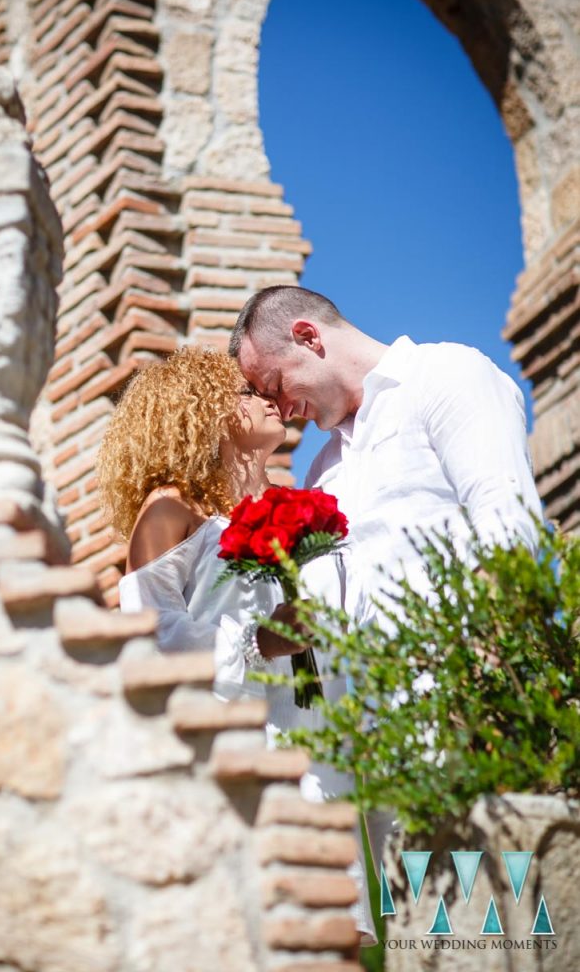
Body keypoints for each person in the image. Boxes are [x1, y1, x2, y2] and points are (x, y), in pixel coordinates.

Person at [229, 284, 543, 871]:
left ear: (308, 337)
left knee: (499, 934)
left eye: (274, 387)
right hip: (377, 751)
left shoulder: (445, 374)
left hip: (463, 713)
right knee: (421, 948)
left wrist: (477, 685)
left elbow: (508, 529)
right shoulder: (323, 471)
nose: (284, 411)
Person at [96, 346, 376, 946]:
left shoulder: (286, 510)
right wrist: (259, 639)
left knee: (327, 939)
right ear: (201, 415)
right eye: (245, 394)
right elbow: (148, 633)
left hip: (315, 750)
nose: (265, 399)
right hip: (236, 755)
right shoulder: (171, 510)